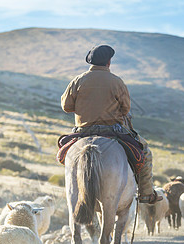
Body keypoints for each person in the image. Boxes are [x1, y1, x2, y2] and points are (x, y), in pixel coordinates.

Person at [60, 44, 163, 204]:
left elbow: (66, 107)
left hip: (83, 131)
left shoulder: (78, 80)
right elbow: (125, 108)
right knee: (144, 151)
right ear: (108, 62)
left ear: (90, 62)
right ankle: (146, 193)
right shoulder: (117, 81)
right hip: (113, 130)